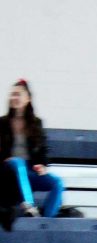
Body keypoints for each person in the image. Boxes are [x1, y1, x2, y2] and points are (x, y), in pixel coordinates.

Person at [0, 79, 64, 218]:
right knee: (17, 162)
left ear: (28, 98)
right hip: (6, 173)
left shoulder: (36, 123)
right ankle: (29, 204)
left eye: (18, 94)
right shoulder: (2, 123)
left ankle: (47, 220)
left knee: (57, 182)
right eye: (12, 95)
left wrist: (42, 165)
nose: (14, 98)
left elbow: (43, 149)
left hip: (27, 172)